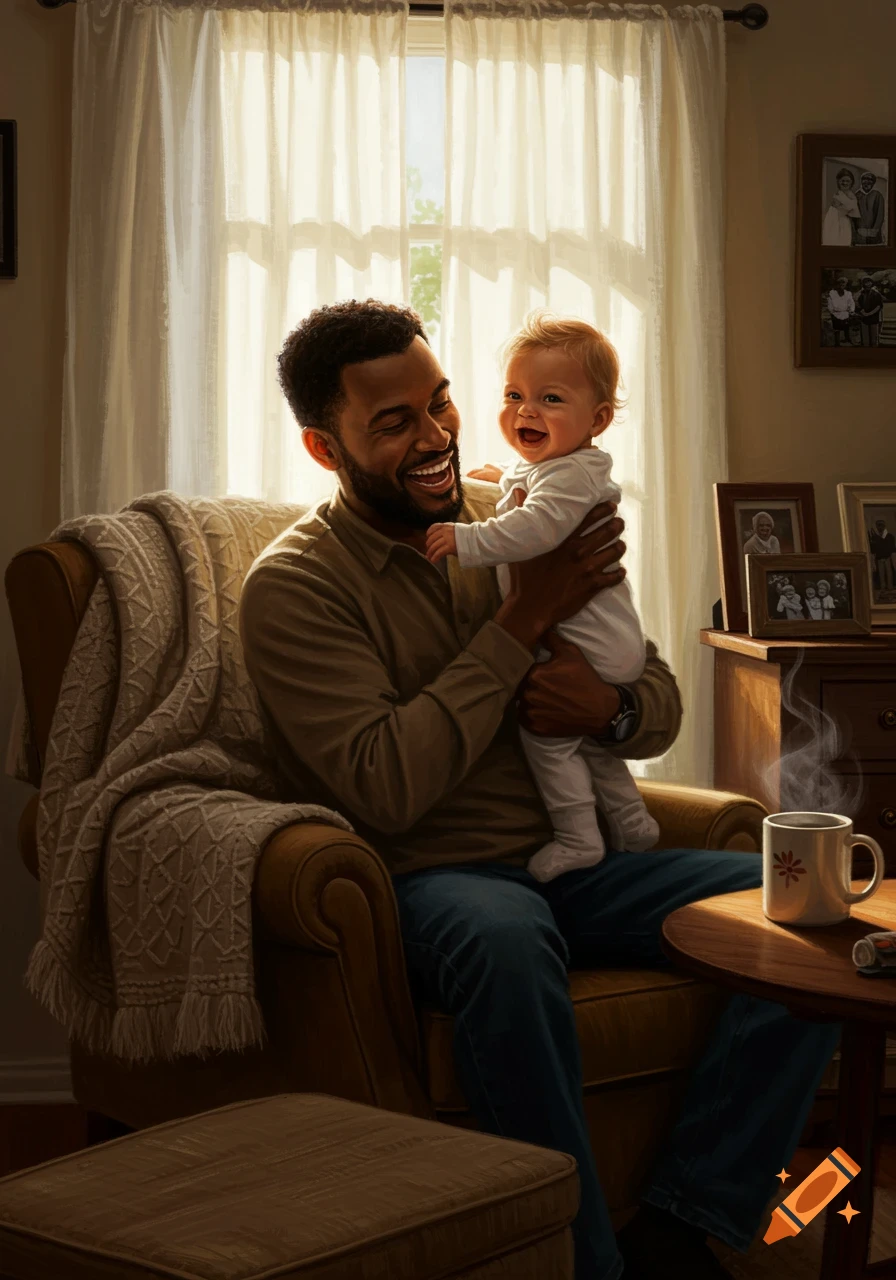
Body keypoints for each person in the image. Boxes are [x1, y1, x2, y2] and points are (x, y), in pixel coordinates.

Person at [239, 299, 840, 1280]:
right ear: (322, 446)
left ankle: (687, 1217)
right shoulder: (296, 586)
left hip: (576, 862)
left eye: (438, 404)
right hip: (437, 877)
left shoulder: (518, 517)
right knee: (506, 937)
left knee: (799, 915)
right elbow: (387, 787)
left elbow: (655, 702)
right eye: (394, 422)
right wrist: (520, 625)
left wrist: (600, 706)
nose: (435, 437)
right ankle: (582, 1262)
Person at [424, 314, 659, 880]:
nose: (525, 411)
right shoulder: (559, 468)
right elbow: (532, 491)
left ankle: (578, 836)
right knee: (592, 745)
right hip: (602, 641)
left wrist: (467, 538)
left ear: (597, 419)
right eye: (513, 395)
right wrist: (500, 477)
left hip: (589, 638)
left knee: (548, 736)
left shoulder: (571, 478)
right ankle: (632, 822)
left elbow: (538, 530)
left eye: (550, 398)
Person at [822, 167, 860, 245]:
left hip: (844, 222)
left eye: (847, 181)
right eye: (842, 181)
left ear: (851, 182)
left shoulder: (852, 196)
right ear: (838, 181)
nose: (845, 183)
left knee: (844, 240)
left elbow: (854, 213)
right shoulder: (837, 194)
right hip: (833, 219)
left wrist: (842, 207)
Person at [855, 171, 886, 246]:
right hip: (860, 234)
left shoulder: (878, 195)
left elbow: (880, 215)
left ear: (873, 183)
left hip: (874, 235)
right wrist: (857, 229)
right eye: (864, 180)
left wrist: (874, 230)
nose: (867, 183)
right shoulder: (856, 195)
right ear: (861, 181)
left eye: (870, 180)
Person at [855, 276, 885, 348]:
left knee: (874, 340)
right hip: (864, 319)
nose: (868, 284)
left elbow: (879, 306)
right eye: (866, 282)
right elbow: (858, 305)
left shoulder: (876, 294)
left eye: (869, 282)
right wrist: (863, 313)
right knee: (865, 341)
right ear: (863, 284)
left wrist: (869, 314)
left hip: (874, 319)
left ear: (872, 283)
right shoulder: (861, 295)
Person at [826, 276, 855, 346]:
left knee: (847, 327)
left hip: (845, 313)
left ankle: (848, 340)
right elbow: (830, 304)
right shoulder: (832, 293)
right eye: (840, 284)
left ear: (845, 285)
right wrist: (832, 312)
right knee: (837, 329)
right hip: (836, 314)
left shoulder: (848, 293)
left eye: (843, 284)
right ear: (837, 285)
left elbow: (851, 303)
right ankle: (837, 343)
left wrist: (851, 310)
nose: (841, 286)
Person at [869, 519, 896, 592]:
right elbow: (873, 550)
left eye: (881, 526)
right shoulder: (875, 538)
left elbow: (892, 549)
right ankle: (883, 588)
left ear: (884, 526)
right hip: (879, 559)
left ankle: (889, 587)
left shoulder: (890, 536)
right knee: (881, 575)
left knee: (889, 573)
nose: (880, 527)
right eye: (878, 526)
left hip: (887, 558)